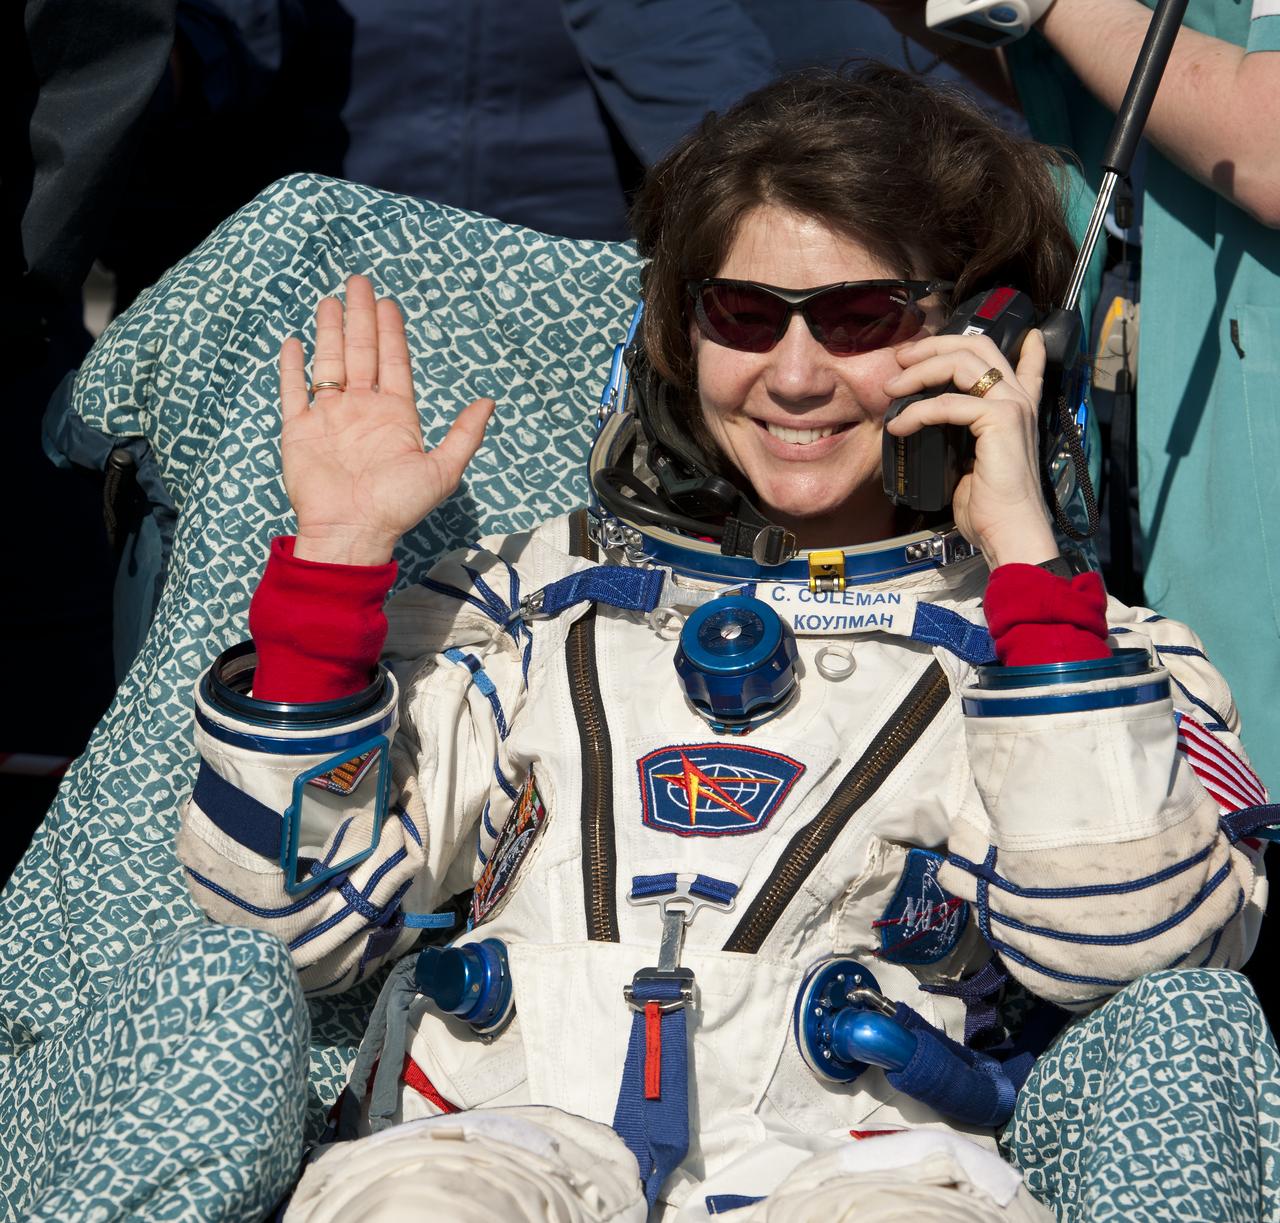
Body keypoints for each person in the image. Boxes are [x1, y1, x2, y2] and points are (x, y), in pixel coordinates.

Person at [175, 67, 1277, 1221]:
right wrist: (337, 565)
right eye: (744, 317)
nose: (793, 377)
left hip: (868, 1170)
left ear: (982, 336)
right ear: (679, 329)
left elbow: (1125, 943)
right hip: (493, 1147)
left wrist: (1024, 569)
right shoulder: (521, 600)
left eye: (860, 320)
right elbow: (291, 923)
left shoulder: (1093, 654)